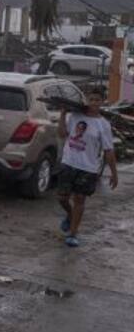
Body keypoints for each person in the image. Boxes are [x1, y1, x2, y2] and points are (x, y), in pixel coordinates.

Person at [56, 89, 118, 248]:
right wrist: (63, 114)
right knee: (62, 198)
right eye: (91, 99)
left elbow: (108, 150)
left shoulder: (103, 124)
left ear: (102, 102)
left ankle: (73, 233)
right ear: (86, 100)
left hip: (88, 168)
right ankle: (70, 216)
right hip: (69, 163)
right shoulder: (75, 116)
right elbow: (62, 134)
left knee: (79, 199)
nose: (94, 103)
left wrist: (114, 173)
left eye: (97, 100)